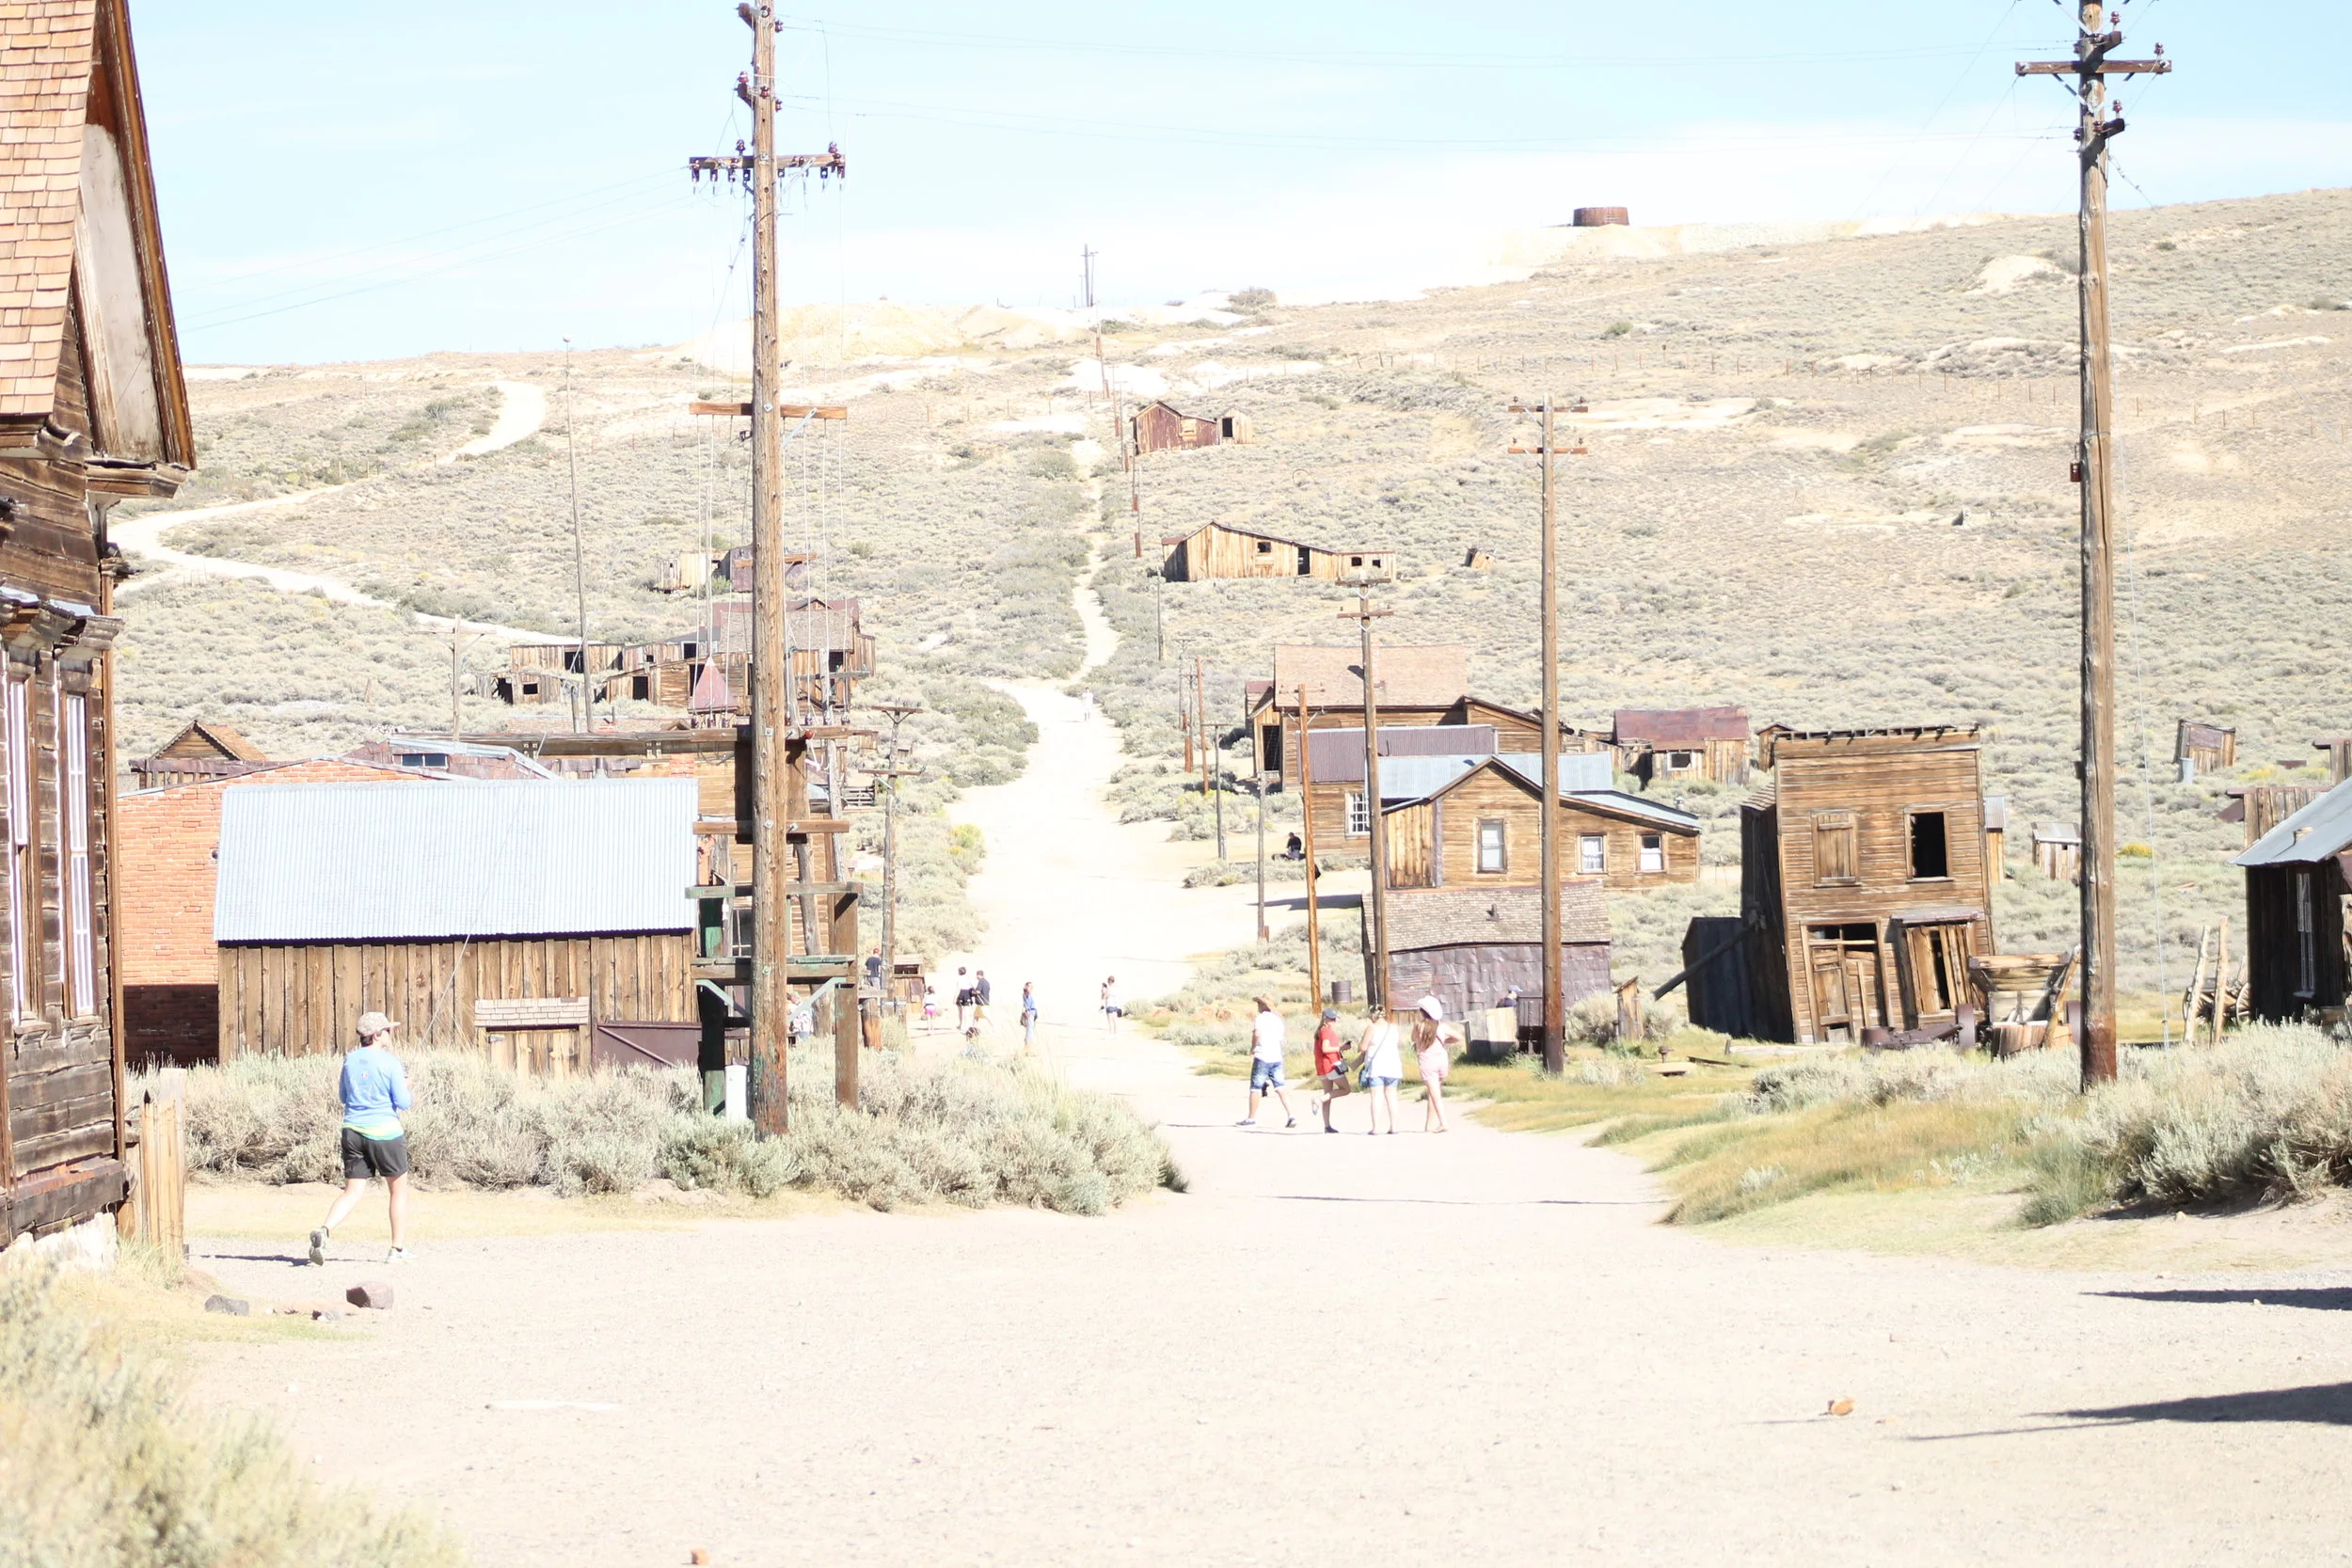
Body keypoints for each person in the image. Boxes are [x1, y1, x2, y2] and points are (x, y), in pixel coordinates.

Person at [310, 1011, 414, 1265]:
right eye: (387, 1030)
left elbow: (344, 1096)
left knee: (352, 1191)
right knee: (398, 1191)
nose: (390, 1033)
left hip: (352, 1131)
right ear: (376, 1035)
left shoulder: (350, 1060)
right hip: (385, 1132)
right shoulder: (391, 1062)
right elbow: (403, 1102)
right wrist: (406, 1086)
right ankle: (397, 1249)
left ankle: (324, 1230)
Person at [1239, 997, 1296, 1128]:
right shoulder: (1278, 1019)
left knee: (1256, 1087)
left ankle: (1251, 1118)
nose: (1257, 1006)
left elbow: (1257, 1034)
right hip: (1276, 1056)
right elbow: (1281, 1040)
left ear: (1263, 1005)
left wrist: (1253, 1047)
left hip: (1263, 1055)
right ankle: (1291, 1115)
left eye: (1259, 1003)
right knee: (1280, 1087)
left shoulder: (1261, 1018)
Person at [1357, 1009, 1404, 1136]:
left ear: (1373, 1016)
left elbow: (1363, 1047)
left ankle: (1376, 1127)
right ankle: (1394, 1127)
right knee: (1392, 1096)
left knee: (1376, 1095)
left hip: (1377, 1066)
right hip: (1393, 1065)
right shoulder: (1393, 1028)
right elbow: (1399, 1043)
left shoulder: (1371, 1028)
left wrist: (1359, 1044)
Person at [1414, 996, 1451, 1132]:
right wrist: (1445, 1040)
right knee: (1433, 1092)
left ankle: (1443, 1122)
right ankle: (1429, 1125)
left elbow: (1413, 1038)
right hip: (1441, 1060)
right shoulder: (1442, 1027)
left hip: (1428, 1062)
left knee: (1435, 1094)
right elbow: (1459, 1037)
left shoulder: (1420, 1027)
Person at [1312, 1006, 1348, 1132]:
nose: (1334, 1021)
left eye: (1334, 1019)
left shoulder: (1320, 1031)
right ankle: (1318, 1100)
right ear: (1325, 1019)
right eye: (1331, 1019)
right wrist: (1340, 1048)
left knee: (1328, 1095)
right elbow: (1325, 1048)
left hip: (1322, 1066)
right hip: (1331, 1065)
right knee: (1346, 1089)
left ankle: (1327, 1126)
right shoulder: (1326, 1031)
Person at [1020, 982, 1040, 1053]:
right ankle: (1026, 1049)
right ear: (1026, 987)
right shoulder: (1026, 994)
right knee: (1029, 1032)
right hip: (1030, 1014)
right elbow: (1026, 1005)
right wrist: (1027, 1012)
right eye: (1030, 987)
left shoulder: (1028, 994)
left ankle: (1028, 1049)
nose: (1031, 988)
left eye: (1032, 987)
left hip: (1032, 1014)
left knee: (1030, 1031)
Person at [953, 967, 973, 1032]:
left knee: (960, 1011)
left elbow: (958, 989)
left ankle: (961, 1024)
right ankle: (967, 1025)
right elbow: (972, 986)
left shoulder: (959, 979)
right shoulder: (968, 978)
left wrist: (955, 998)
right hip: (967, 994)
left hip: (961, 994)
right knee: (967, 1011)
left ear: (959, 972)